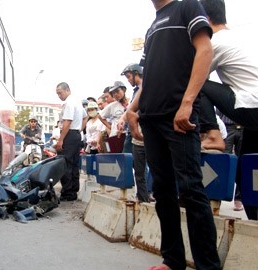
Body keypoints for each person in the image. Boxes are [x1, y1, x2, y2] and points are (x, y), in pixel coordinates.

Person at [126, 1, 221, 269]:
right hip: (151, 118)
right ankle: (172, 260)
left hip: (178, 116)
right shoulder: (152, 27)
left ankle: (208, 266)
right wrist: (132, 110)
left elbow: (205, 50)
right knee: (162, 192)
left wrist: (188, 102)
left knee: (190, 189)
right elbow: (150, 78)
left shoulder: (188, 7)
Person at [199, 0, 258, 220]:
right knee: (248, 169)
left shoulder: (215, 42)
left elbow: (195, 79)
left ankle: (213, 135)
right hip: (253, 114)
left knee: (197, 83)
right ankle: (253, 222)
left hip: (252, 106)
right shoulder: (241, 38)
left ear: (205, 20)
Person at [118, 63, 150, 202]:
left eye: (129, 76)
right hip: (136, 134)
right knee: (139, 169)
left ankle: (151, 194)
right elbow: (131, 109)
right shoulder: (136, 91)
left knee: (151, 168)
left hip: (148, 132)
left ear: (137, 73)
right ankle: (143, 198)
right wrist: (123, 120)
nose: (128, 80)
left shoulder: (146, 87)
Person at [54, 82, 88, 201]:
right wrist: (80, 129)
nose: (59, 96)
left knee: (65, 164)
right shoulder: (77, 102)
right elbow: (86, 117)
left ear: (67, 90)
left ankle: (67, 192)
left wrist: (61, 140)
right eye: (57, 94)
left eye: (60, 93)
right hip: (76, 135)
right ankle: (73, 191)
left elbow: (67, 122)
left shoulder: (69, 103)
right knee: (73, 164)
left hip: (69, 134)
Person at [99, 81, 128, 153]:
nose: (116, 94)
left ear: (123, 90)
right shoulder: (113, 105)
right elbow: (100, 116)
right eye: (113, 93)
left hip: (128, 134)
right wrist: (109, 126)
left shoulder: (132, 103)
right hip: (116, 136)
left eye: (117, 91)